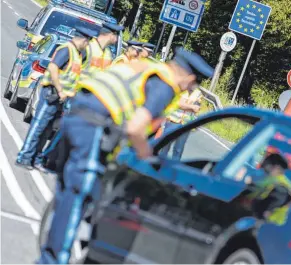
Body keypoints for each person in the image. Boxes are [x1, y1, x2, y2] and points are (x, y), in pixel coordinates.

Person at [37, 47, 214, 264]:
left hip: (77, 115)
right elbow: (135, 129)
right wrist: (148, 157)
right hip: (93, 126)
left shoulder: (148, 67)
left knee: (67, 195)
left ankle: (48, 256)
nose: (189, 89)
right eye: (193, 84)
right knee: (78, 197)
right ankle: (54, 260)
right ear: (189, 77)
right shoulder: (164, 85)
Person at [15, 27, 97, 171]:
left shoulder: (77, 54)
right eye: (87, 41)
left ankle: (36, 159)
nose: (87, 45)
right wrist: (60, 90)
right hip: (51, 93)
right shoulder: (66, 50)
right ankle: (24, 157)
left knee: (47, 130)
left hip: (61, 98)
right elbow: (53, 68)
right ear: (83, 39)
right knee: (38, 127)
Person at [242, 153, 291, 226]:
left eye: (266, 166)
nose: (263, 169)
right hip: (265, 223)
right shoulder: (276, 180)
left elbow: (261, 206)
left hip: (269, 226)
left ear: (276, 168)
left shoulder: (280, 185)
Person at [159, 86, 203, 159]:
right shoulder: (182, 88)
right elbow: (179, 104)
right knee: (165, 146)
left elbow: (196, 109)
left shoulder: (198, 93)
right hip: (173, 121)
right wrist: (191, 106)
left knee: (178, 150)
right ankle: (158, 165)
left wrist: (185, 105)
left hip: (186, 124)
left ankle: (173, 168)